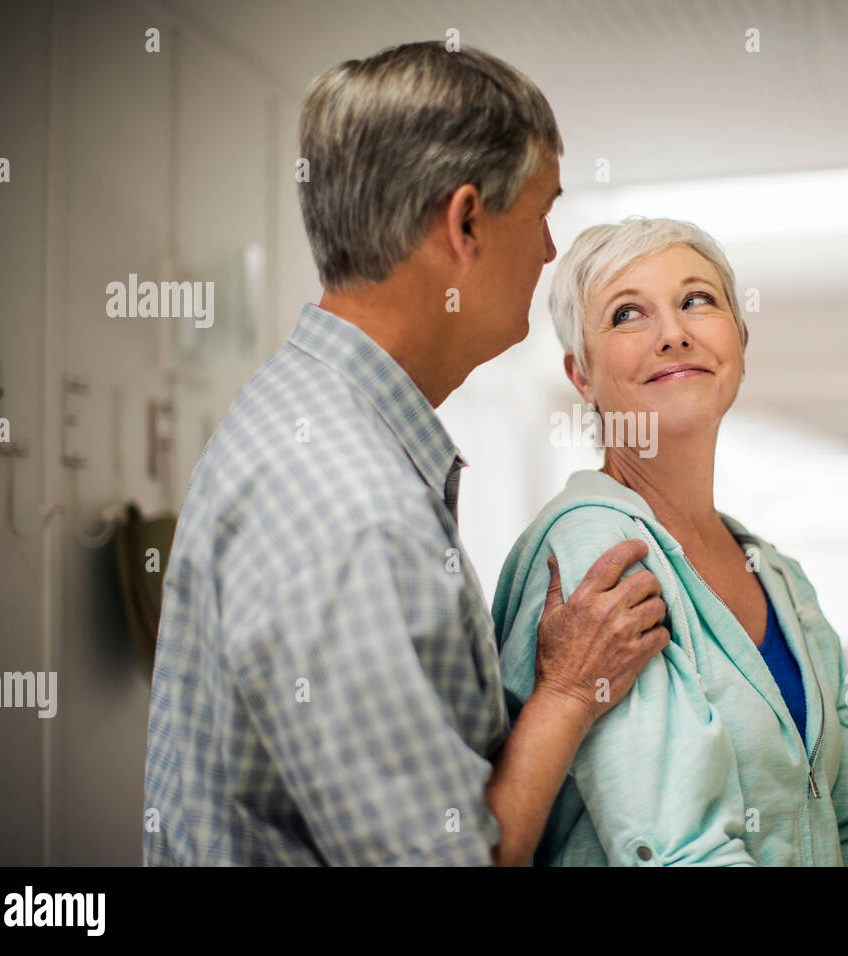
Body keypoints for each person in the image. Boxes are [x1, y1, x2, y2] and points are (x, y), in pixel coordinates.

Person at [143, 42, 670, 866]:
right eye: (539, 215)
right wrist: (566, 694)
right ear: (463, 224)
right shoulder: (345, 502)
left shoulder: (305, 416)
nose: (548, 252)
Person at [493, 217, 848, 866]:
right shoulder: (595, 550)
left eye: (697, 300)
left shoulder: (780, 577)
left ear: (739, 340)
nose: (674, 333)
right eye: (628, 314)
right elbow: (681, 851)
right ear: (581, 374)